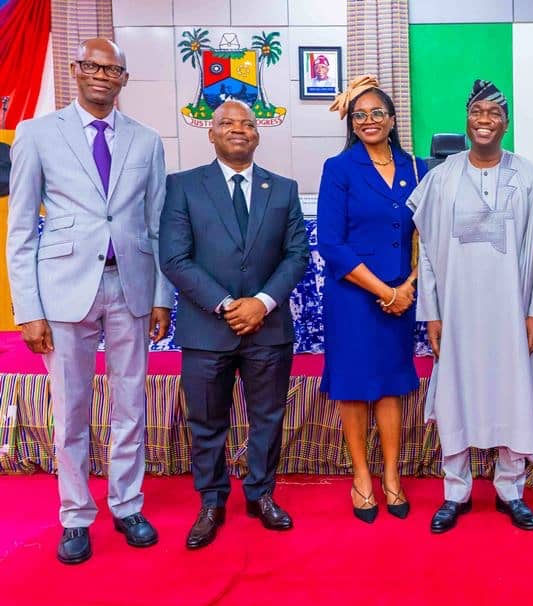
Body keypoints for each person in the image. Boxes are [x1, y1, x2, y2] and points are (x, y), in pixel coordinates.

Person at [6, 38, 173, 564]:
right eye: (94, 67)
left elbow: (157, 225)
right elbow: (20, 231)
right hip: (62, 289)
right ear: (77, 71)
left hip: (131, 285)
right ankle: (75, 514)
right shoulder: (37, 134)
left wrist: (162, 296)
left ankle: (127, 505)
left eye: (114, 70)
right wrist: (28, 311)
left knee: (130, 405)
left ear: (124, 79)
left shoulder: (146, 141)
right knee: (71, 410)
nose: (103, 76)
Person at [160, 100, 310, 549]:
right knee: (206, 420)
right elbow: (174, 257)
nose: (238, 129)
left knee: (267, 418)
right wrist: (227, 304)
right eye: (227, 123)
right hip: (208, 330)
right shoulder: (183, 186)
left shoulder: (282, 189)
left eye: (247, 123)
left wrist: (261, 303)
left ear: (258, 135)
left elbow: (297, 254)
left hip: (268, 328)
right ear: (211, 133)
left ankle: (261, 494)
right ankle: (211, 500)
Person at [409, 79, 533, 534]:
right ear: (467, 120)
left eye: (494, 113)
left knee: (512, 390)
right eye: (477, 113)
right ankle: (456, 491)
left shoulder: (529, 176)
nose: (485, 120)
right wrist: (431, 312)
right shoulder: (442, 178)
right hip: (457, 311)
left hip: (512, 311)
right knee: (456, 391)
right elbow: (427, 253)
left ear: (506, 123)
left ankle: (511, 488)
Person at [317, 75, 424, 523]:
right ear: (352, 123)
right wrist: (386, 291)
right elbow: (330, 243)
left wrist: (410, 285)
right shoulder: (339, 168)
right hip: (356, 298)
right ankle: (362, 476)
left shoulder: (417, 168)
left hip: (403, 295)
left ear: (393, 119)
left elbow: (427, 236)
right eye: (360, 115)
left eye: (377, 113)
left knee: (392, 386)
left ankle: (392, 476)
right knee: (355, 387)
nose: (369, 121)